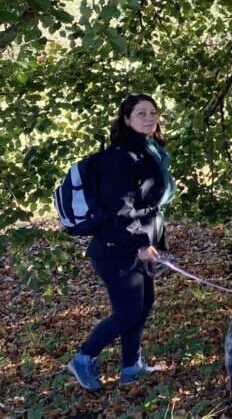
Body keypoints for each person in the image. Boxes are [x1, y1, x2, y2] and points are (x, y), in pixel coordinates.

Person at [67, 93, 176, 392]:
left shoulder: (150, 152)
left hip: (138, 245)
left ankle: (131, 367)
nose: (150, 118)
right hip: (117, 248)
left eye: (153, 112)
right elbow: (120, 206)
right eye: (141, 113)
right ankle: (83, 358)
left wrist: (155, 242)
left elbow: (150, 205)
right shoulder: (122, 156)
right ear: (126, 120)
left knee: (142, 307)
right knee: (127, 312)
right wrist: (141, 243)